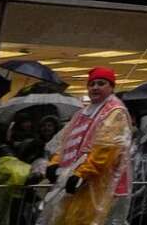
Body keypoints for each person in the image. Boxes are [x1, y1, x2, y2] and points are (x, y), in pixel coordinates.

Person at [42, 67, 133, 225]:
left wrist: (82, 173)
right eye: (92, 84)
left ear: (111, 87)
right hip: (73, 181)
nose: (95, 87)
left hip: (95, 186)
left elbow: (106, 149)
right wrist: (55, 162)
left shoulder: (115, 113)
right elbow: (65, 141)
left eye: (101, 83)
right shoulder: (83, 113)